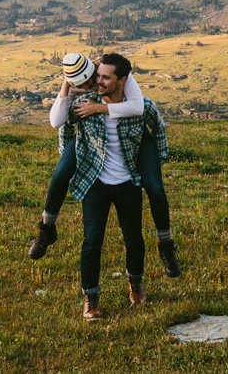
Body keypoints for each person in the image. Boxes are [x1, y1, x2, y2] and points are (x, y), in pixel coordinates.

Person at [28, 53, 180, 278]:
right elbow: (62, 122)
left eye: (99, 78)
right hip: (90, 149)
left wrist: (159, 158)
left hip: (135, 138)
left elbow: (145, 114)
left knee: (155, 188)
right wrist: (69, 152)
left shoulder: (122, 84)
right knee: (60, 172)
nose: (94, 84)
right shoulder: (78, 88)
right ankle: (47, 229)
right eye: (89, 81)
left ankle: (166, 245)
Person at [58, 53, 168, 320]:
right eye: (98, 76)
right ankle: (91, 299)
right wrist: (69, 159)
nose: (99, 81)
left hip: (129, 181)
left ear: (122, 81)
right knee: (92, 241)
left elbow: (159, 128)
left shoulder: (141, 106)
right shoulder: (84, 104)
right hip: (95, 182)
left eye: (106, 77)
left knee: (134, 239)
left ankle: (136, 283)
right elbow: (64, 129)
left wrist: (156, 162)